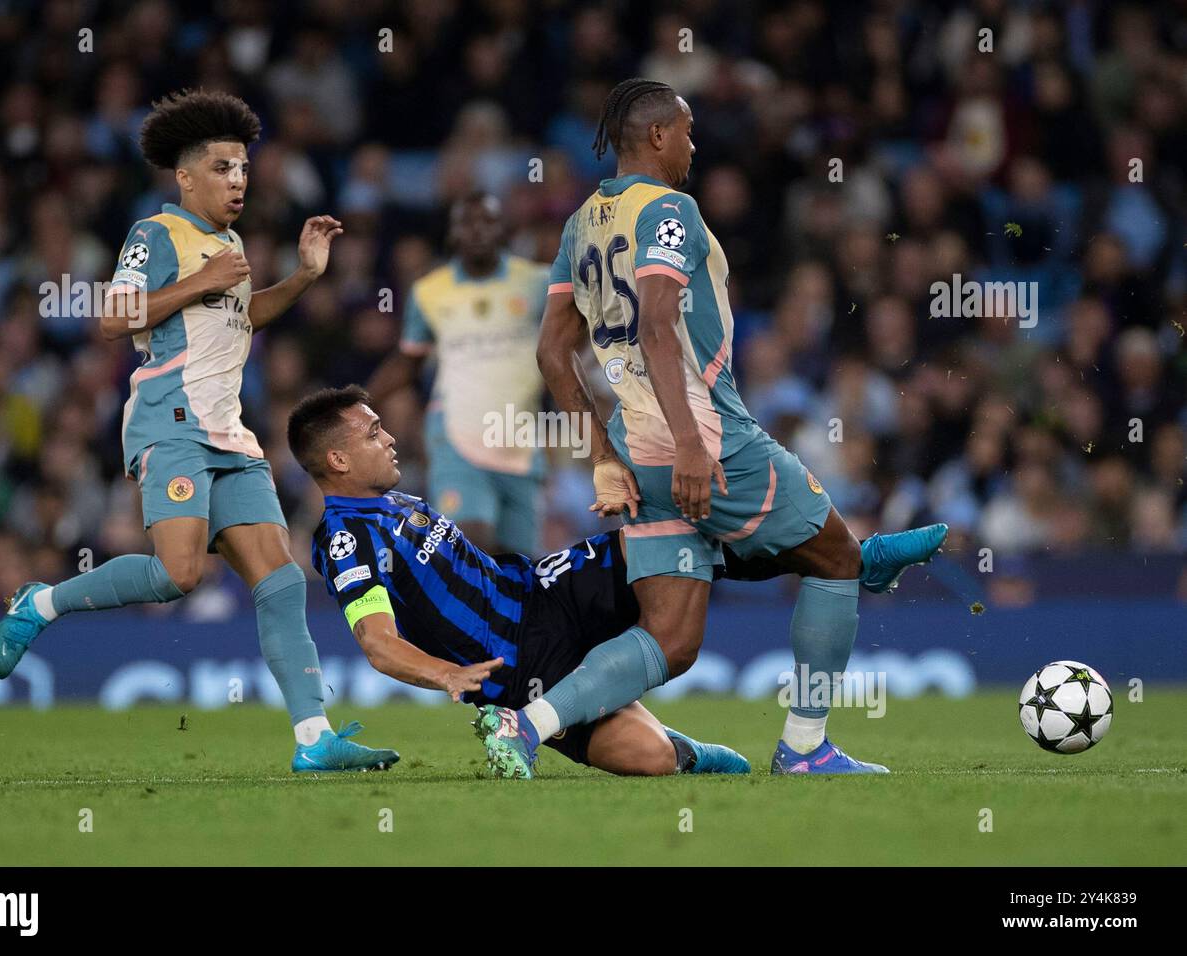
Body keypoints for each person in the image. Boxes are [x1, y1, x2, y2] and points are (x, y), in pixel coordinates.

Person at [484, 78, 947, 778]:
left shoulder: (581, 223)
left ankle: (527, 724)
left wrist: (602, 454)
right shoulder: (670, 210)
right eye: (689, 131)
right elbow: (659, 319)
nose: (694, 146)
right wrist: (696, 445)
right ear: (661, 135)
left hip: (638, 452)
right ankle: (804, 746)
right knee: (834, 560)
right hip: (706, 437)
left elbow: (552, 350)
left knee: (670, 640)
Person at [0, 89, 397, 774]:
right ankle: (43, 602)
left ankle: (314, 739)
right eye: (221, 168)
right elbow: (114, 319)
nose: (238, 181)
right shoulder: (157, 234)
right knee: (179, 575)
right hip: (170, 420)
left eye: (243, 167)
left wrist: (302, 276)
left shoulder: (228, 244)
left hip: (228, 432)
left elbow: (241, 317)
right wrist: (202, 280)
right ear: (185, 176)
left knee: (282, 580)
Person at [288, 385, 750, 776]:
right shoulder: (346, 538)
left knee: (659, 538)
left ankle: (778, 543)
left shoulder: (392, 500)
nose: (389, 438)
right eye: (373, 433)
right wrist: (446, 673)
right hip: (521, 671)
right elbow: (377, 643)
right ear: (338, 459)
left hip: (544, 592)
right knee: (653, 757)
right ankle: (691, 751)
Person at [367, 192, 549, 555]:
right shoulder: (429, 292)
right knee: (470, 544)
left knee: (519, 567)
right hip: (455, 439)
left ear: (504, 229)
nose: (477, 230)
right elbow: (408, 362)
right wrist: (356, 401)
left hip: (519, 441)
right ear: (452, 233)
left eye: (488, 221)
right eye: (467, 222)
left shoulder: (538, 284)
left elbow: (564, 349)